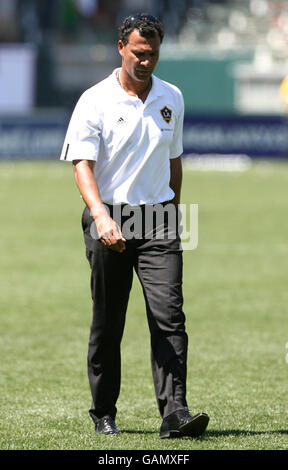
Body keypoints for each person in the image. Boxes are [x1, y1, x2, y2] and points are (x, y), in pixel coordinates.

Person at [60, 12, 209, 439]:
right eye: (139, 53)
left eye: (154, 54)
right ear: (121, 48)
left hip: (159, 219)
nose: (146, 62)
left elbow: (174, 162)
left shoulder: (172, 97)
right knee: (110, 320)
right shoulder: (94, 99)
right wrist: (101, 216)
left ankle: (175, 413)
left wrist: (175, 214)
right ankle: (103, 410)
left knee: (170, 317)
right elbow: (81, 165)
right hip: (110, 215)